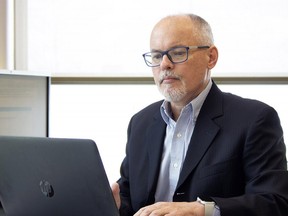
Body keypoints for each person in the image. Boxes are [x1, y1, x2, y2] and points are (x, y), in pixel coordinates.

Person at [111, 13, 288, 216]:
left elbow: (275, 202)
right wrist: (110, 203)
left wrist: (203, 211)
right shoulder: (140, 122)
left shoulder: (254, 119)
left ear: (211, 58)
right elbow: (129, 199)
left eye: (177, 53)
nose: (164, 65)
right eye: (157, 56)